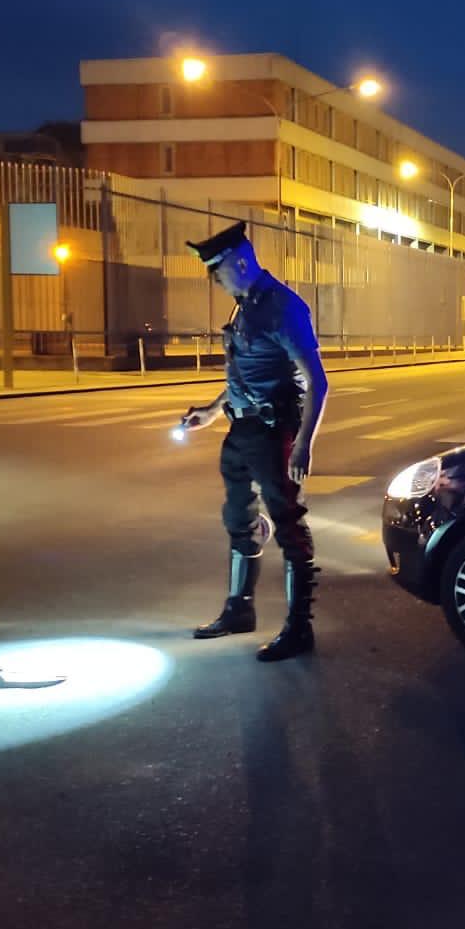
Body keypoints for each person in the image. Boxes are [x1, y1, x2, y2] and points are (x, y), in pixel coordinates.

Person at [181, 221, 328, 661]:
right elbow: (249, 370)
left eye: (218, 272)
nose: (215, 281)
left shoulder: (283, 308)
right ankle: (239, 609)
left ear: (241, 263)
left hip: (273, 432)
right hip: (241, 429)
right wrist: (210, 411)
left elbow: (317, 381)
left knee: (288, 525)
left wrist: (303, 444)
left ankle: (299, 629)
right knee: (238, 518)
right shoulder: (245, 305)